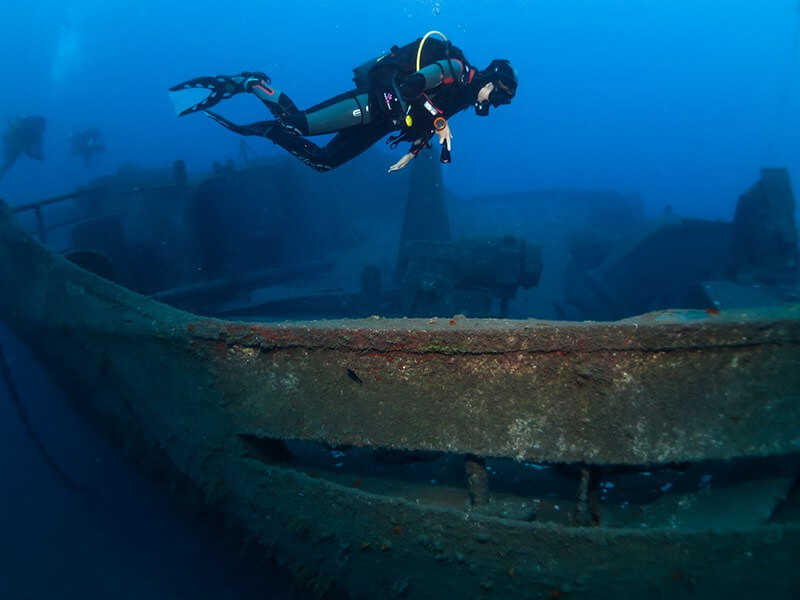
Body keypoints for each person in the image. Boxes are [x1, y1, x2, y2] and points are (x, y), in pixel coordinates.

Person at [170, 33, 517, 172]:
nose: (496, 104)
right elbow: (412, 86)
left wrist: (413, 152)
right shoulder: (455, 69)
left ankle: (268, 132)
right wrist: (440, 123)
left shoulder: (462, 97)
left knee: (323, 163)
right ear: (491, 78)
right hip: (373, 103)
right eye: (499, 95)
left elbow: (426, 118)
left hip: (384, 123)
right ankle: (252, 83)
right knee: (299, 122)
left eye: (503, 102)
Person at [1, 116, 46, 181]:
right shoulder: (31, 131)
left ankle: (2, 172)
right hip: (16, 144)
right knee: (9, 162)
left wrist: (38, 154)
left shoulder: (36, 132)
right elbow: (27, 149)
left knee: (9, 162)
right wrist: (35, 156)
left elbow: (38, 146)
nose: (42, 130)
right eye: (42, 128)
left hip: (15, 143)